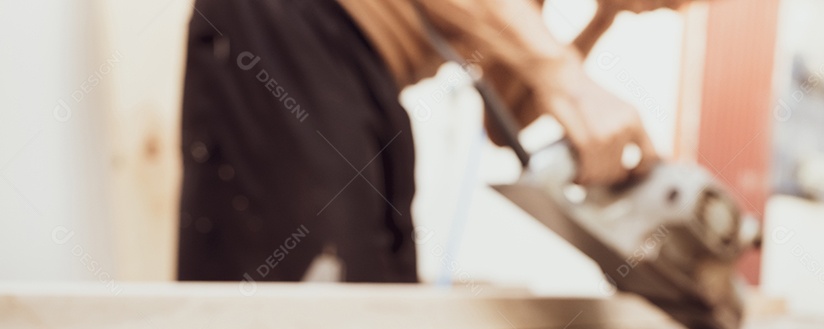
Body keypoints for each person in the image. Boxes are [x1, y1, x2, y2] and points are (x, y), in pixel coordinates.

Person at [177, 0, 690, 283]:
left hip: (363, 75)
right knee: (312, 293)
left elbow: (505, 115)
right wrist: (565, 75)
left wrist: (603, 15)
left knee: (377, 296)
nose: (675, 9)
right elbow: (549, 78)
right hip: (286, 26)